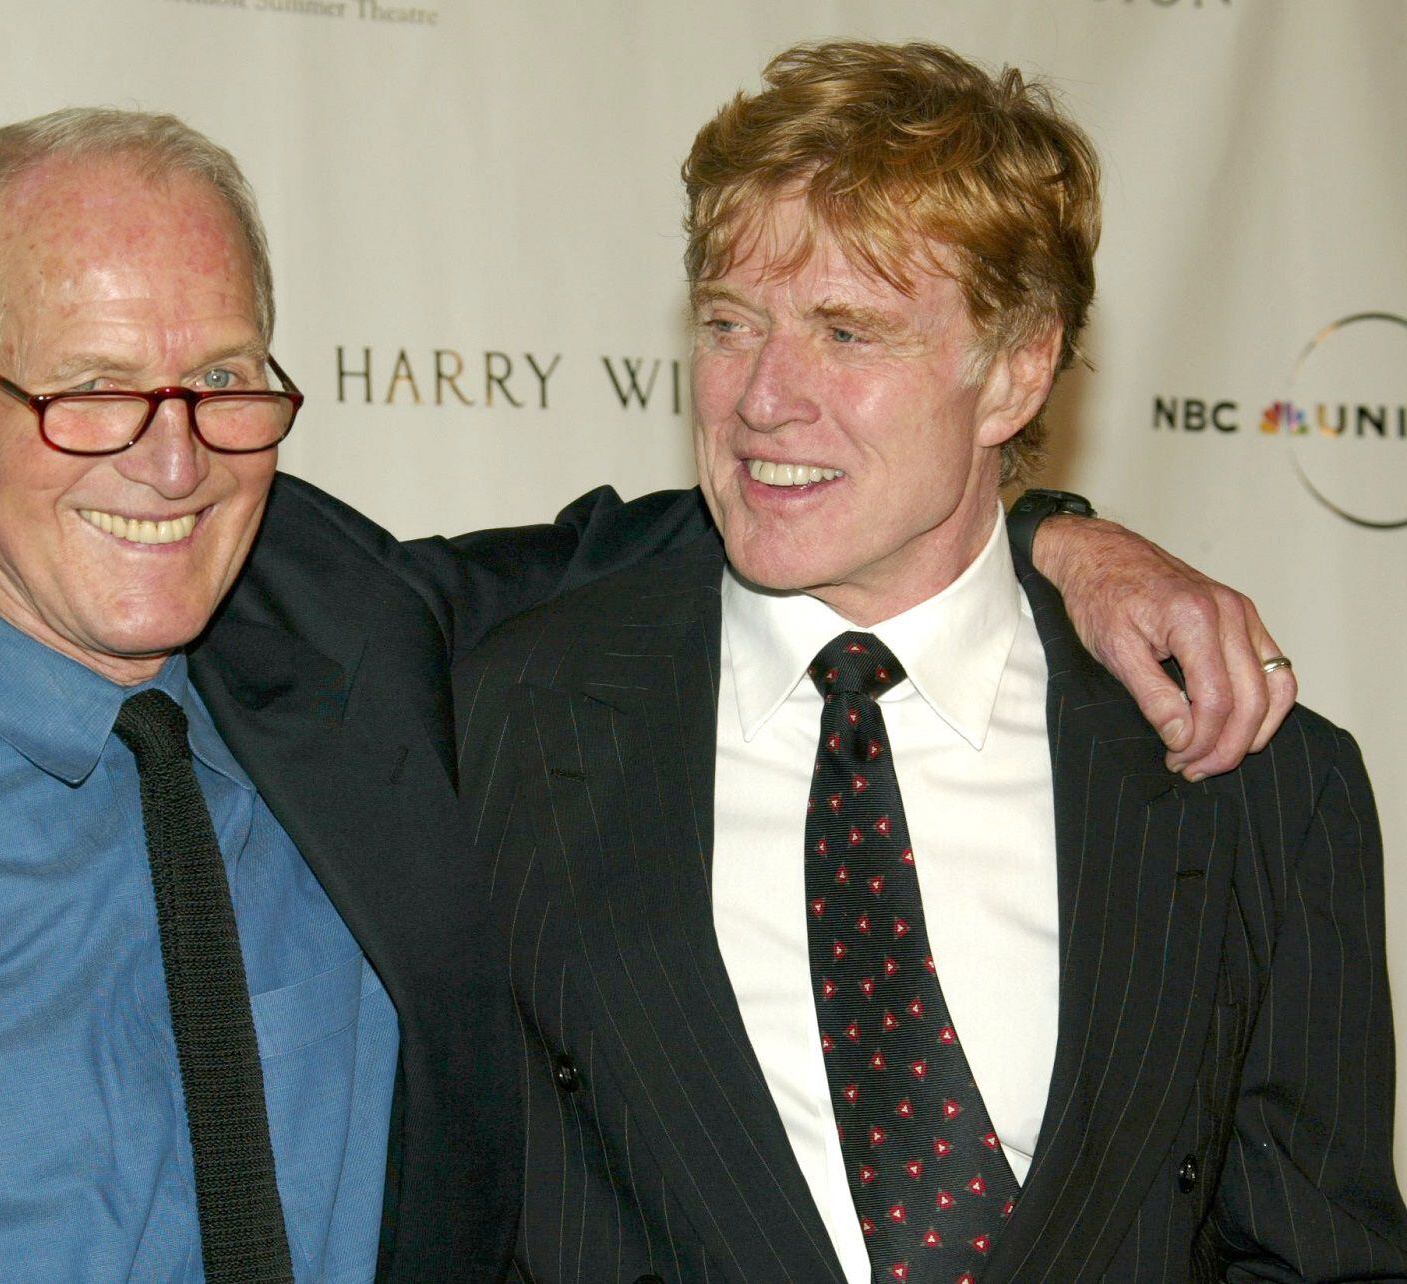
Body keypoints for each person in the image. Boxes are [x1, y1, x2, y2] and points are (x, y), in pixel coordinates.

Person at [0, 106, 1291, 1284]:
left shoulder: (375, 662)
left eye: (222, 382)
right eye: (91, 388)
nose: (172, 459)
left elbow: (789, 497)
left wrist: (1068, 534)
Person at [452, 40, 1407, 1281]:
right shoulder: (508, 722)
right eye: (732, 324)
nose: (763, 400)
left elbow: (1319, 1257)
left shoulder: (1259, 787)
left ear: (1014, 368)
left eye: (848, 333)